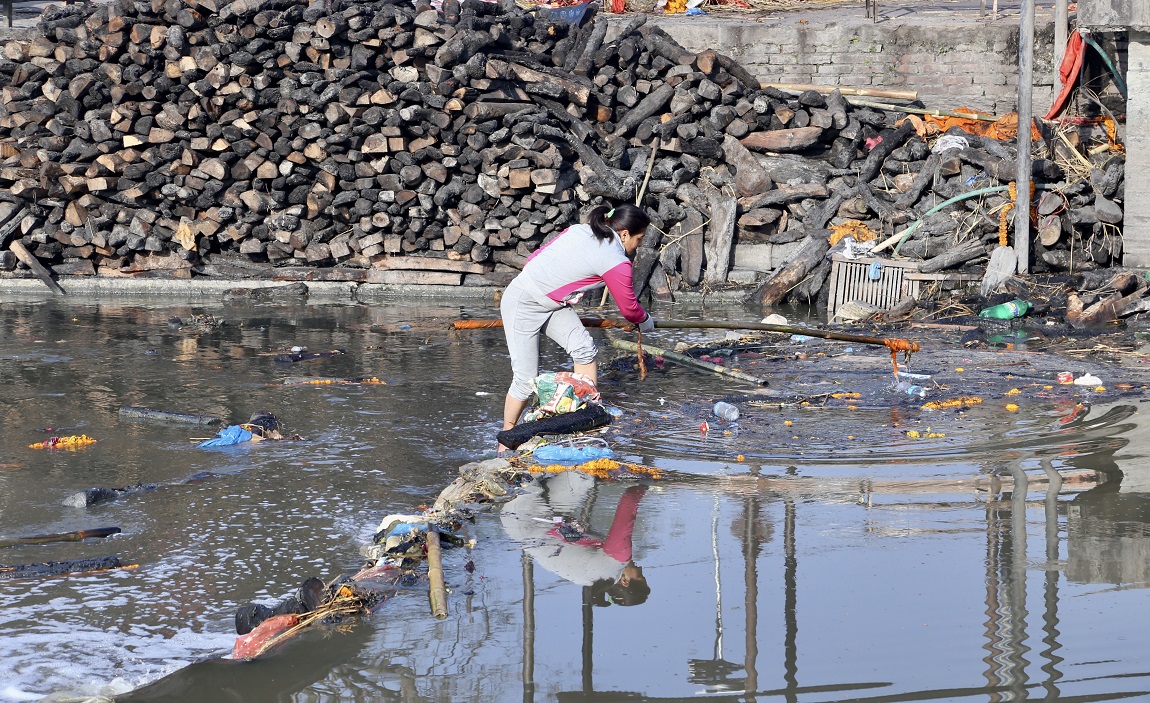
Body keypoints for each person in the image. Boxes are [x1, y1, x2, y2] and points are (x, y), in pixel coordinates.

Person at [499, 203, 656, 441]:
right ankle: (507, 437)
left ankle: (584, 416)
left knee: (584, 349)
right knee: (524, 379)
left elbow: (534, 257)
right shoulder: (615, 259)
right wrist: (645, 321)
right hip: (523, 302)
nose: (640, 245)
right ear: (625, 234)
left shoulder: (581, 229)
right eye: (640, 238)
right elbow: (629, 309)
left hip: (552, 303)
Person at [500, 470, 651, 606]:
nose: (640, 568)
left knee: (521, 472)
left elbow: (629, 500)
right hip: (539, 517)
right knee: (584, 473)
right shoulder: (594, 577)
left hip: (523, 516)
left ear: (625, 581)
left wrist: (646, 484)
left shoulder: (616, 562)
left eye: (640, 576)